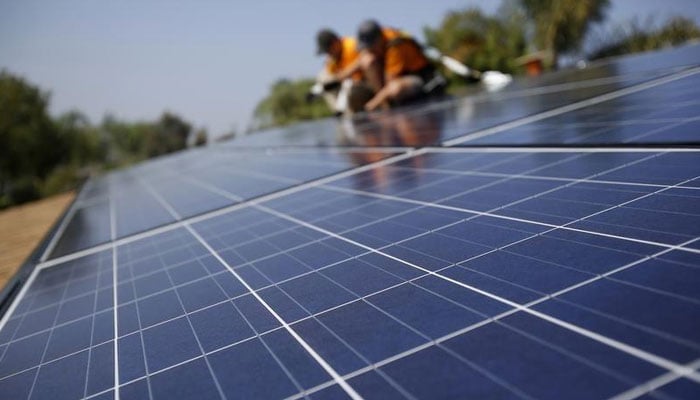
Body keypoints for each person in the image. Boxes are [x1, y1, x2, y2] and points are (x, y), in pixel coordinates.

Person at [354, 19, 439, 111]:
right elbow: (362, 62)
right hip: (391, 83)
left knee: (396, 88)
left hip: (418, 78)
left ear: (378, 40)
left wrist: (371, 105)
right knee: (367, 60)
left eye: (371, 47)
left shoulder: (394, 44)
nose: (369, 51)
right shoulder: (380, 41)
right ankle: (385, 104)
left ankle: (386, 107)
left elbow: (391, 83)